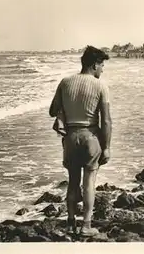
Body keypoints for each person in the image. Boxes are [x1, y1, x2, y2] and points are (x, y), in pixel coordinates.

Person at [49, 46, 112, 236]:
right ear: (94, 65)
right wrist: (107, 147)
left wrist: (62, 114)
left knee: (73, 181)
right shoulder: (100, 86)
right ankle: (86, 225)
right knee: (89, 182)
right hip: (91, 137)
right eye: (102, 65)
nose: (103, 69)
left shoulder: (65, 82)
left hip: (70, 137)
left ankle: (70, 223)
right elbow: (106, 120)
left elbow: (53, 110)